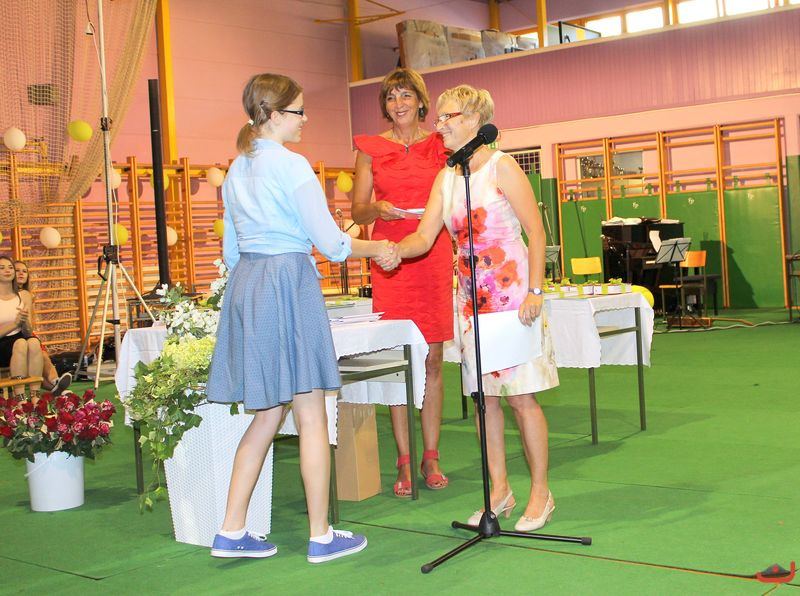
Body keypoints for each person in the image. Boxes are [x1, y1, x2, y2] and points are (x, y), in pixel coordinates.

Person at [205, 73, 398, 563]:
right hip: (287, 282)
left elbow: (231, 253)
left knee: (268, 413)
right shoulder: (292, 167)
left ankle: (231, 529)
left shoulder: (236, 169)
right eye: (298, 111)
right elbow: (332, 244)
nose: (305, 119)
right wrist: (379, 246)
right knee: (311, 412)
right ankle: (320, 535)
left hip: (248, 284)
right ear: (273, 115)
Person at [393, 85, 560, 532]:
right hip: (471, 304)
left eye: (447, 117)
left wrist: (536, 292)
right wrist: (391, 250)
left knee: (520, 397)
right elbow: (424, 236)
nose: (439, 125)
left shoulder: (502, 166)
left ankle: (541, 493)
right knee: (485, 400)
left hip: (513, 297)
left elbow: (536, 231)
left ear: (472, 119)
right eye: (439, 118)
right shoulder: (447, 177)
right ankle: (499, 491)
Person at [351, 68, 453, 496]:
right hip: (389, 257)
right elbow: (358, 210)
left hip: (433, 252)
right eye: (391, 97)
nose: (399, 103)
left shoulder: (442, 144)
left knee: (433, 358)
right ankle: (404, 459)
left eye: (405, 95)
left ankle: (431, 456)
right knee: (398, 359)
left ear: (421, 101)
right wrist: (378, 209)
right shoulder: (370, 148)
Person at [14, 260, 72, 396]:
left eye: (24, 271)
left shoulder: (28, 295)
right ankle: (57, 388)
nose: (21, 273)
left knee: (43, 355)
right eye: (17, 270)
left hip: (27, 333)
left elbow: (29, 325)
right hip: (12, 338)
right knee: (34, 362)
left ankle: (56, 381)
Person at [0, 256, 44, 401]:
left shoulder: (24, 295)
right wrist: (15, 323)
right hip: (3, 343)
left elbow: (28, 332)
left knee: (34, 342)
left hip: (20, 338)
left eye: (10, 267)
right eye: (2, 268)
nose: (7, 270)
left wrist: (24, 321)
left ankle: (35, 396)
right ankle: (20, 398)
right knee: (20, 343)